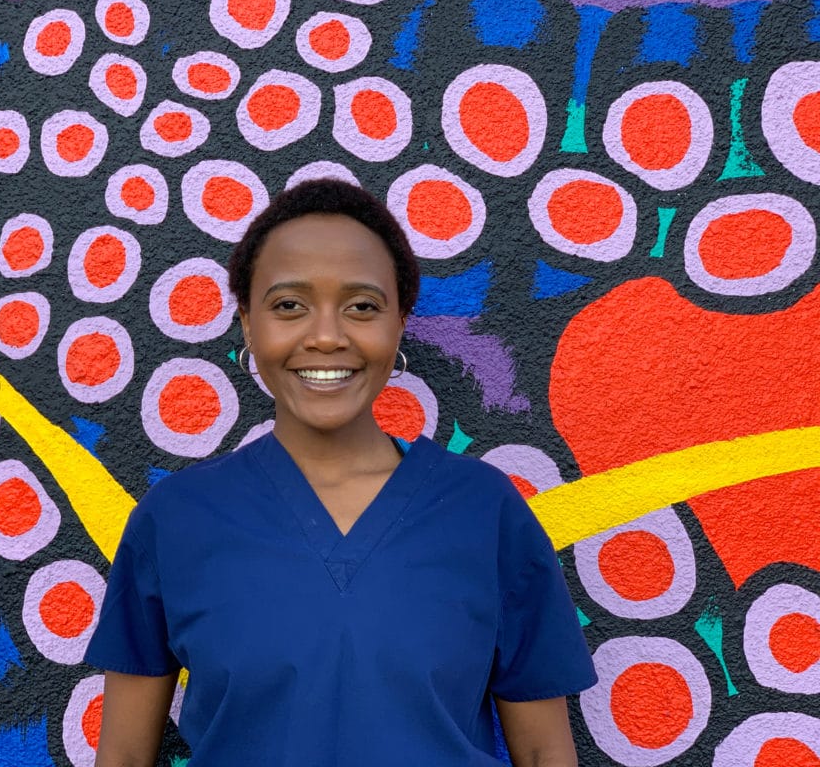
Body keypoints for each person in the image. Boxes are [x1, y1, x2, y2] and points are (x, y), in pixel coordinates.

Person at [84, 179, 596, 766]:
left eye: (361, 307)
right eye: (288, 306)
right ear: (248, 323)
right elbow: (122, 756)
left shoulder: (484, 510)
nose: (326, 336)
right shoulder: (176, 519)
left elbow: (542, 753)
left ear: (400, 321)